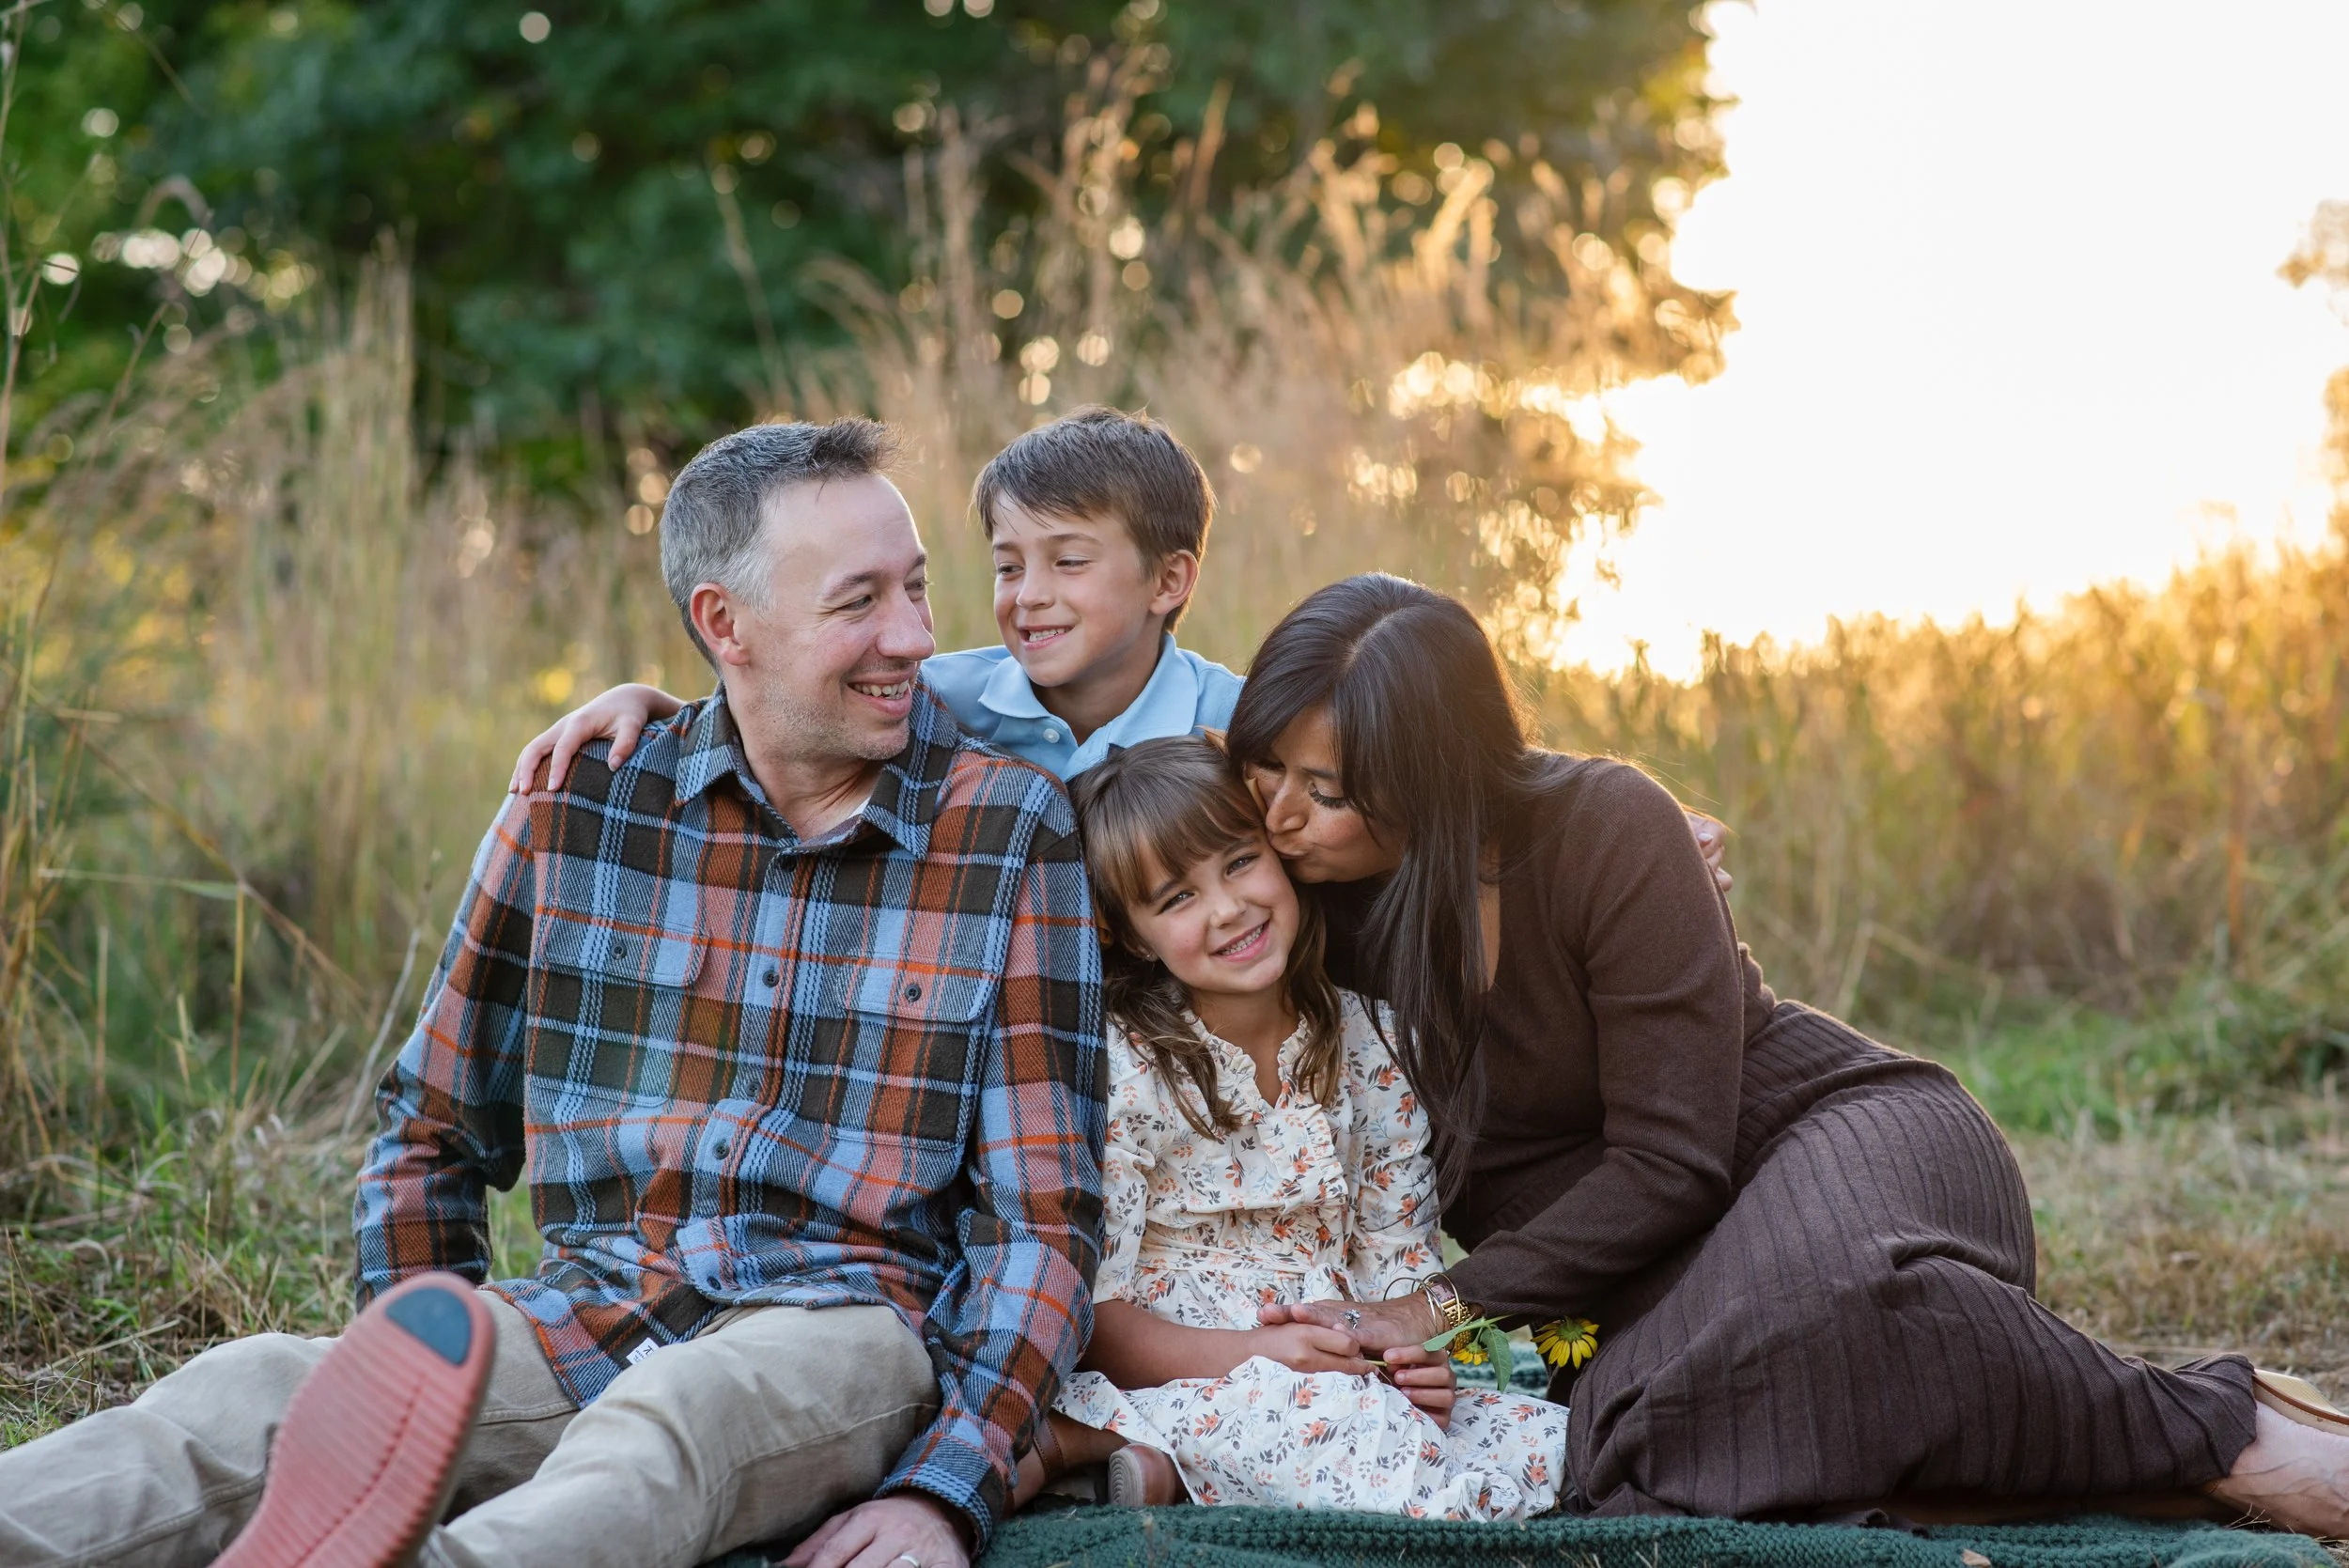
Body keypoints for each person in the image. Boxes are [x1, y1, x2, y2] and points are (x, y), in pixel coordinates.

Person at [0, 418, 1107, 1568]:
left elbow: (1041, 1219)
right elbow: (431, 1127)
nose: (915, 636)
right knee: (248, 1393)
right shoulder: (579, 803)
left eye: (920, 588)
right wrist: (411, 1393)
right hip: (589, 1306)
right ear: (723, 624)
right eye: (860, 601)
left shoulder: (1007, 827)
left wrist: (946, 1485)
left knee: (666, 1431)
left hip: (840, 1334)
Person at [1229, 573, 2349, 1537]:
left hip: (1825, 1143)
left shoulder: (1607, 824)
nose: (1278, 815)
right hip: (1633, 1285)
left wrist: (1439, 1306)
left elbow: (1674, 1162)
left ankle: (2225, 1429)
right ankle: (2079, 1453)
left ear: (1434, 774)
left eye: (1324, 790)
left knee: (1834, 1301)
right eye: (1265, 768)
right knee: (1629, 1441)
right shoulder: (1299, 910)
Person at [1009, 734, 1570, 1518]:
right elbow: (1096, 1312)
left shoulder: (1378, 1041)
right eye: (1178, 898)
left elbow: (1399, 1254)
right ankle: (1098, 1437)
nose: (1229, 908)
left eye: (1240, 861)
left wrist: (1417, 1358)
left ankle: (1134, 1455)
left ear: (1279, 852)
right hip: (1188, 1354)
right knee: (1373, 1452)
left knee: (1550, 1441)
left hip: (1343, 1356)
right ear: (1130, 934)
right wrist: (1253, 1354)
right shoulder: (1122, 1063)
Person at [511, 405, 1244, 792]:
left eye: (1070, 562)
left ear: (1169, 580)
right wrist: (655, 704)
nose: (1030, 597)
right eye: (1008, 567)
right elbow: (796, 704)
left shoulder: (1239, 726)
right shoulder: (952, 697)